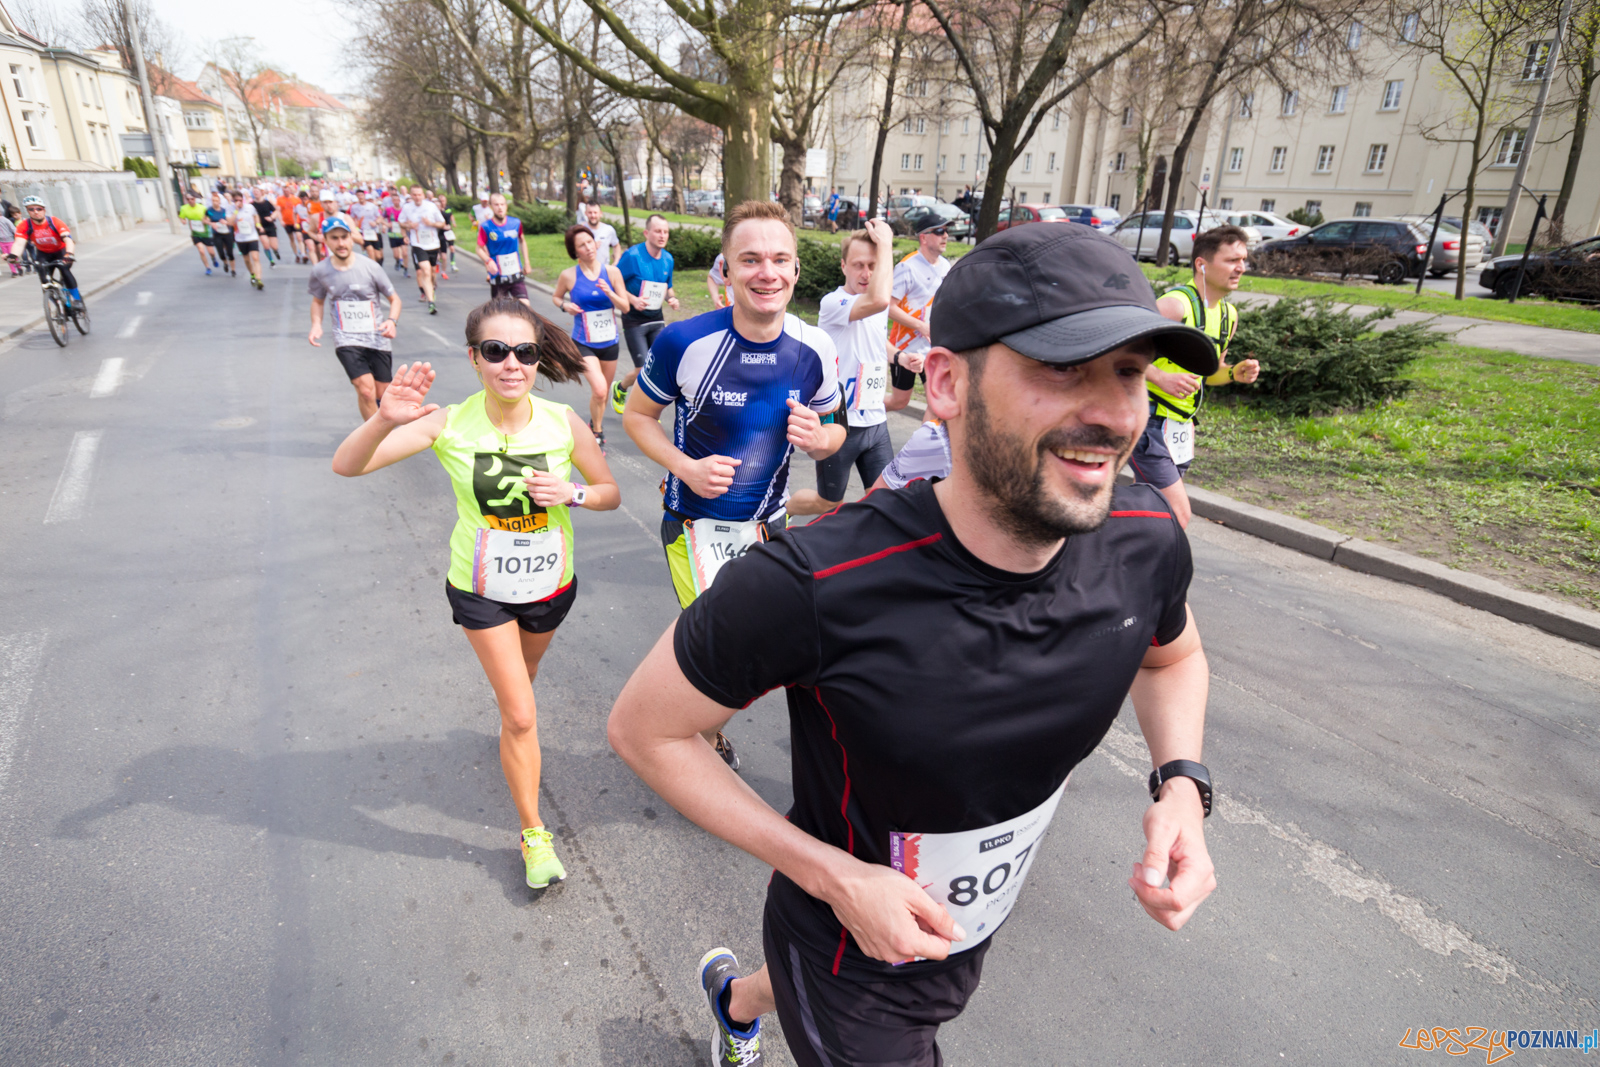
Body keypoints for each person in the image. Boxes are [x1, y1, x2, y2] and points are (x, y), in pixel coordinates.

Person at [608, 223, 1219, 1067]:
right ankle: (772, 985)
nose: (1114, 414)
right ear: (945, 385)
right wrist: (835, 877)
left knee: (819, 984)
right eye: (1062, 369)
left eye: (1127, 372)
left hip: (968, 920)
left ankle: (737, 997)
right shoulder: (816, 580)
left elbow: (1171, 656)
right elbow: (646, 728)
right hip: (846, 950)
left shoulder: (1146, 534)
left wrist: (1181, 783)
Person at [332, 297, 618, 891]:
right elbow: (347, 467)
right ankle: (534, 832)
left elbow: (610, 491)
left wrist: (572, 495)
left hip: (549, 585)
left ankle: (517, 730)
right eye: (496, 351)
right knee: (519, 711)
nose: (511, 363)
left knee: (524, 692)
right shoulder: (450, 423)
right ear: (474, 358)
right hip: (481, 589)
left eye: (525, 352)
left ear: (538, 361)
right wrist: (383, 419)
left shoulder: (561, 423)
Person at [621, 199, 844, 774]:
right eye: (749, 260)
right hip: (694, 525)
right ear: (726, 269)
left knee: (750, 646)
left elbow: (836, 428)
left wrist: (822, 441)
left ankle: (692, 726)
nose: (765, 273)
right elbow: (638, 418)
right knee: (719, 645)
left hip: (769, 528)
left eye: (778, 260)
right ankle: (684, 738)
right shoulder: (685, 343)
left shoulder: (815, 348)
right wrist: (685, 467)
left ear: (795, 271)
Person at [1129, 224, 1261, 529]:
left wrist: (1233, 374)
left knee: (1151, 509)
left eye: (1243, 260)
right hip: (1147, 419)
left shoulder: (1229, 316)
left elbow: (1209, 372)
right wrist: (1160, 377)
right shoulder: (1175, 306)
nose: (1240, 268)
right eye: (1231, 260)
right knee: (1176, 513)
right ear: (1201, 265)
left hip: (1179, 427)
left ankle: (1110, 555)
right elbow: (1121, 353)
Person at [787, 219, 906, 517]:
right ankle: (774, 508)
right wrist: (887, 243)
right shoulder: (834, 302)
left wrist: (899, 357)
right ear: (843, 266)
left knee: (887, 497)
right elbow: (880, 300)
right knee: (827, 502)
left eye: (873, 265)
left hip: (875, 421)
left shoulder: (874, 306)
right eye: (858, 265)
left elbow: (874, 341)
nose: (866, 273)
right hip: (840, 423)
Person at [309, 215, 403, 420]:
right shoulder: (320, 271)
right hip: (346, 338)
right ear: (325, 240)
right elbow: (317, 301)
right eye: (334, 238)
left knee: (382, 393)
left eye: (344, 237)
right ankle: (374, 441)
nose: (340, 243)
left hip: (377, 337)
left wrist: (391, 321)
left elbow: (394, 299)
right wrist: (316, 325)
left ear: (351, 238)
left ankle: (378, 421)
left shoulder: (370, 267)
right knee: (365, 390)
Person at [551, 224, 630, 451]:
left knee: (603, 392)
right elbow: (556, 297)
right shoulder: (568, 275)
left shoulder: (612, 272)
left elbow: (624, 307)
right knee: (600, 390)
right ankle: (596, 431)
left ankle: (595, 423)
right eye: (582, 245)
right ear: (575, 252)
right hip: (583, 342)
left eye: (590, 241)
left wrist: (610, 292)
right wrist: (565, 306)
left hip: (609, 342)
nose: (588, 247)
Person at [609, 213, 679, 415]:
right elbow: (616, 282)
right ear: (646, 233)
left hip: (657, 319)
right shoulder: (632, 256)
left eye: (665, 231)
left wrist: (672, 299)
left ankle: (647, 412)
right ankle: (621, 388)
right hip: (634, 321)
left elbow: (668, 286)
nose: (662, 235)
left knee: (658, 367)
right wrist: (632, 300)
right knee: (643, 370)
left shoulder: (668, 259)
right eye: (658, 231)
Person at [887, 213, 951, 390]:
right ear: (923, 237)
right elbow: (889, 307)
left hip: (932, 347)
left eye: (946, 231)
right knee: (899, 401)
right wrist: (920, 326)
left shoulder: (946, 266)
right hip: (905, 347)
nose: (945, 235)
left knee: (936, 399)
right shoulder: (907, 267)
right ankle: (860, 407)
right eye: (939, 231)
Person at [9, 196, 83, 307]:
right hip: (43, 253)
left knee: (64, 270)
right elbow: (19, 243)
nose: (35, 212)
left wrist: (69, 254)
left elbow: (68, 239)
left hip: (61, 251)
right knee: (44, 280)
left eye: (38, 209)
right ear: (27, 211)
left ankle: (77, 300)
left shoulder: (54, 222)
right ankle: (58, 306)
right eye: (31, 209)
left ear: (44, 209)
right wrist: (13, 255)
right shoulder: (25, 225)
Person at [476, 192, 532, 306]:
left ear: (506, 206)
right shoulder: (486, 226)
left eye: (502, 204)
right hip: (498, 275)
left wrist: (527, 262)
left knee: (525, 305)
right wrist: (488, 261)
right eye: (496, 205)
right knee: (502, 311)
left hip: (515, 272)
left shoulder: (515, 223)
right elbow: (479, 248)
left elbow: (522, 240)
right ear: (491, 207)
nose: (500, 207)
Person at [400, 185, 446, 314]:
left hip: (433, 244)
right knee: (425, 270)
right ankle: (431, 302)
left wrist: (430, 224)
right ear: (411, 195)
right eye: (414, 195)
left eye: (419, 194)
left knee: (431, 272)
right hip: (418, 244)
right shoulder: (407, 208)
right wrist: (408, 225)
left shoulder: (431, 206)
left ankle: (431, 287)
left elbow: (442, 223)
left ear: (423, 195)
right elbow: (401, 223)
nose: (417, 197)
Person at [230, 189, 265, 290]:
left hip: (252, 236)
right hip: (240, 238)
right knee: (247, 259)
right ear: (233, 201)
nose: (239, 202)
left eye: (240, 200)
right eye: (236, 200)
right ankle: (252, 274)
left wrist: (258, 225)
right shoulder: (231, 209)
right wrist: (236, 210)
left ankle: (259, 279)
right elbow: (230, 222)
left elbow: (256, 216)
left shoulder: (250, 207)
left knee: (255, 258)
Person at [179, 189, 219, 275]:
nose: (190, 201)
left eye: (192, 199)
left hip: (205, 233)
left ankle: (213, 258)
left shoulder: (202, 208)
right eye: (188, 199)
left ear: (195, 199)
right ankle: (207, 267)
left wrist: (206, 220)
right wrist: (183, 221)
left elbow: (208, 217)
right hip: (195, 233)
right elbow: (181, 216)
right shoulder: (184, 208)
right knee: (201, 251)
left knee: (211, 252)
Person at [206, 191, 237, 278]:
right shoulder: (209, 211)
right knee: (221, 253)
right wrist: (211, 224)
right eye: (213, 200)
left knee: (230, 252)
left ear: (219, 201)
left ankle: (233, 270)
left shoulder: (224, 210)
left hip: (227, 233)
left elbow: (230, 221)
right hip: (217, 234)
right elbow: (204, 220)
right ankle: (225, 262)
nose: (215, 202)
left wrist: (226, 222)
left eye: (216, 200)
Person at [580, 201, 621, 266]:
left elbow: (616, 245)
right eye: (590, 213)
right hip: (586, 269)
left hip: (604, 268)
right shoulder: (581, 229)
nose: (593, 215)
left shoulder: (608, 229)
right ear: (585, 213)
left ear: (600, 213)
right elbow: (576, 250)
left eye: (595, 213)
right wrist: (592, 247)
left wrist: (616, 262)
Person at [350, 191, 386, 264]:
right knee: (370, 250)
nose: (360, 197)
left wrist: (376, 223)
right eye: (358, 195)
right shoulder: (354, 207)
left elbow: (379, 217)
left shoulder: (372, 206)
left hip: (374, 231)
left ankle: (377, 267)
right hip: (363, 232)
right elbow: (352, 219)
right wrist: (355, 224)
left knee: (378, 256)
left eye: (361, 195)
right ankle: (373, 271)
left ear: (364, 196)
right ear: (357, 197)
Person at [251, 186, 281, 267]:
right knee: (266, 245)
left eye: (257, 191)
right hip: (260, 227)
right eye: (254, 192)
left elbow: (276, 211)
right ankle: (271, 261)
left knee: (274, 246)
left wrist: (271, 218)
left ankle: (275, 251)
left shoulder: (267, 202)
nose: (256, 193)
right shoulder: (251, 205)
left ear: (261, 193)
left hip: (270, 225)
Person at [384, 197, 408, 275]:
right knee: (396, 255)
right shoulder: (388, 210)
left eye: (397, 200)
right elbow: (381, 218)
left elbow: (408, 220)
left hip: (402, 233)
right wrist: (386, 225)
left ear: (400, 200)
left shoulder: (404, 210)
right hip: (392, 234)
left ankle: (406, 269)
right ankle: (397, 261)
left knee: (405, 253)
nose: (396, 201)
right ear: (392, 201)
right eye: (394, 200)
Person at [436, 193, 459, 276]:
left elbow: (451, 215)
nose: (442, 202)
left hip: (448, 231)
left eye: (444, 201)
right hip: (440, 232)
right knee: (441, 252)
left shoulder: (448, 208)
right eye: (441, 201)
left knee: (452, 248)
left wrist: (453, 222)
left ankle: (453, 264)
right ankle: (439, 262)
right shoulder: (437, 210)